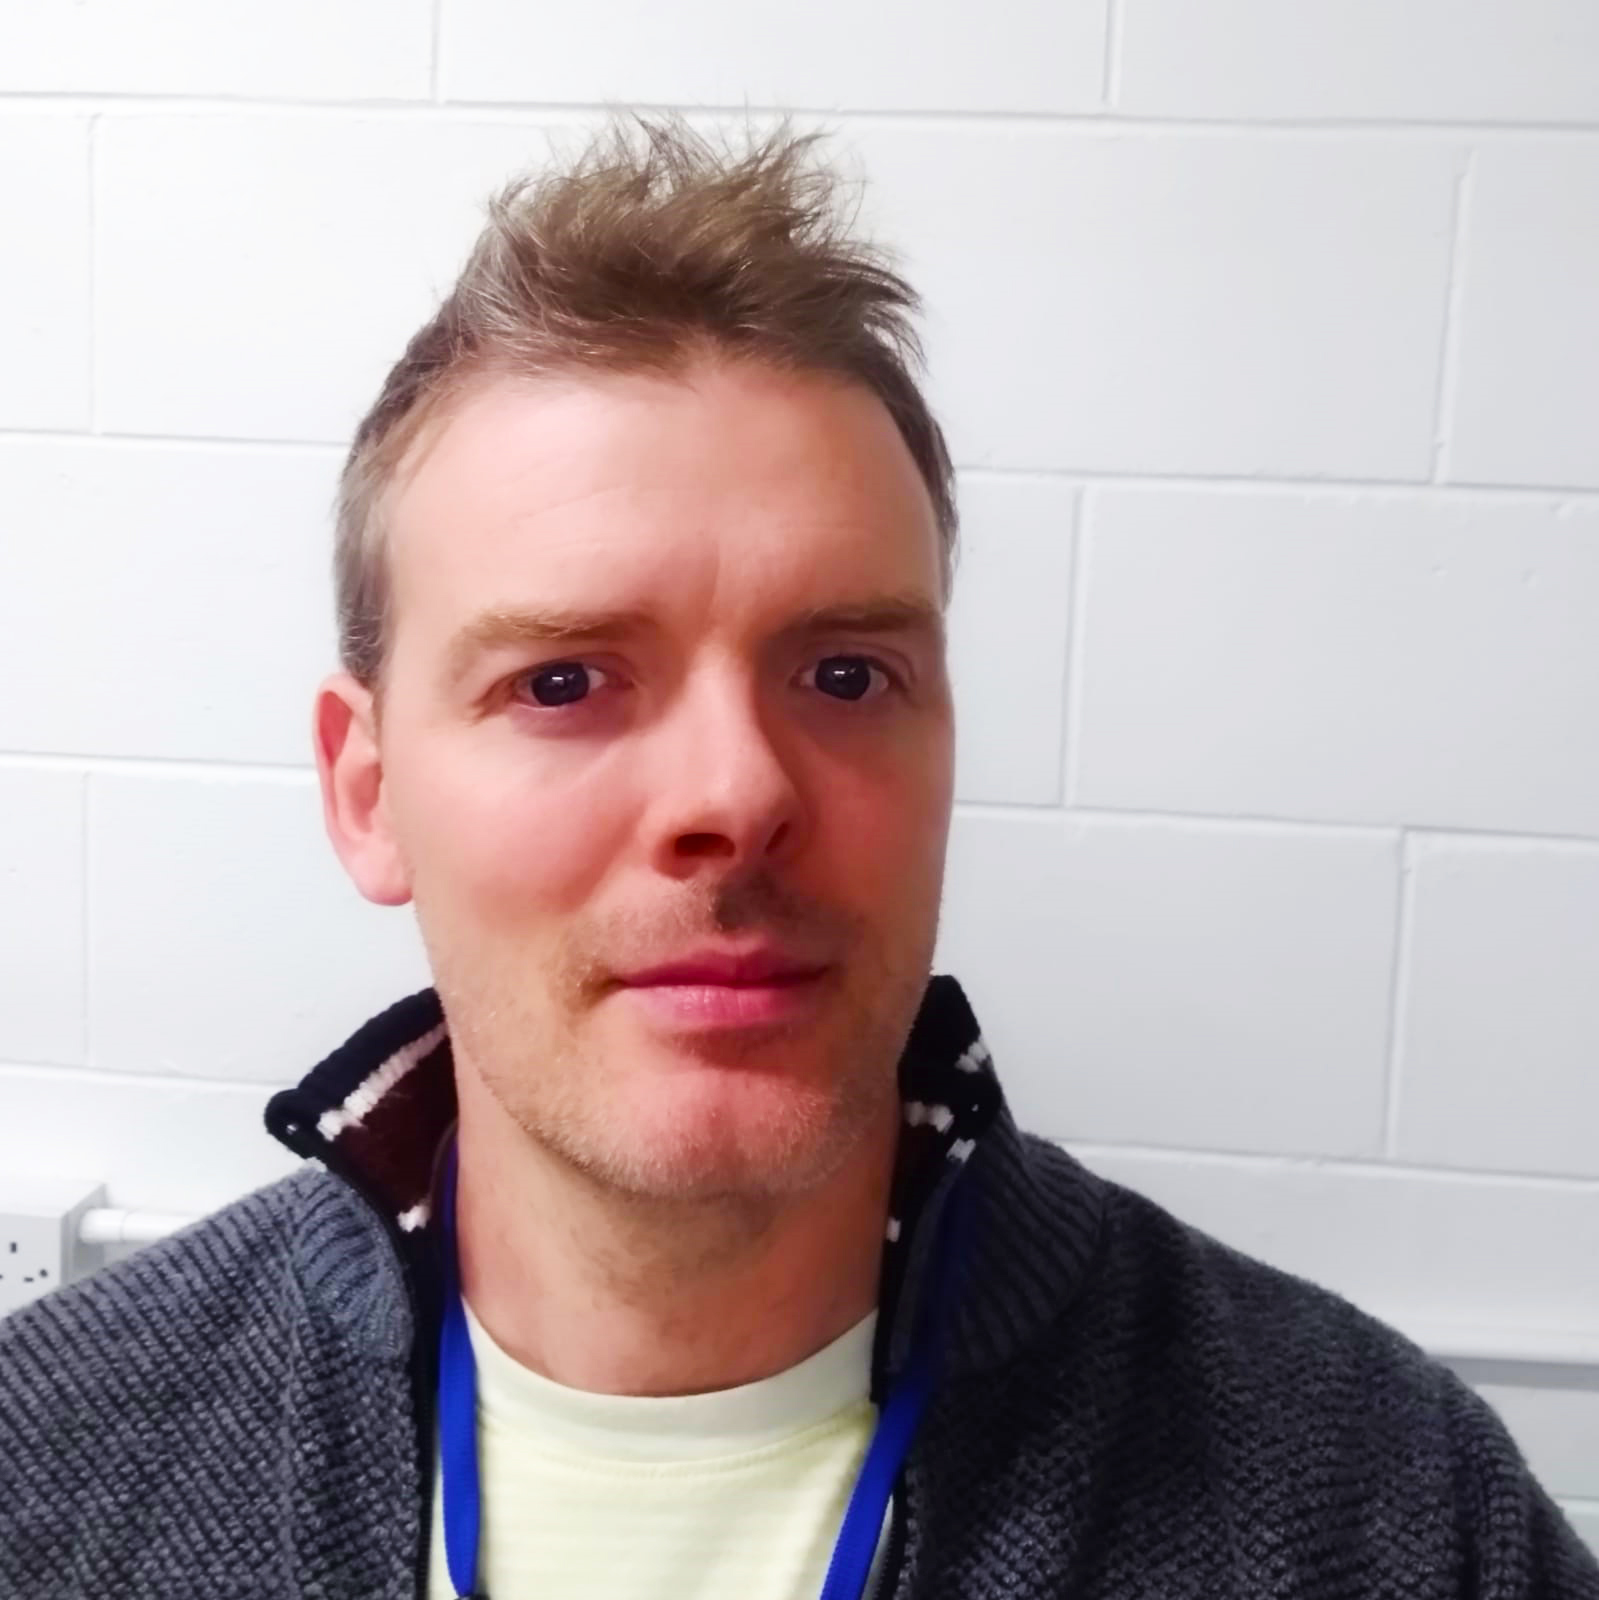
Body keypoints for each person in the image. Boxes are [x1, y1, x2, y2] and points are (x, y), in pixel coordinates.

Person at [2, 115, 1594, 1600]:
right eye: (562, 682)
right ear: (368, 793)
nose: (737, 792)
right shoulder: (48, 1471)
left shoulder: (1387, 1509)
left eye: (844, 674)